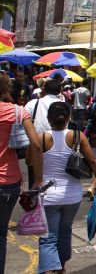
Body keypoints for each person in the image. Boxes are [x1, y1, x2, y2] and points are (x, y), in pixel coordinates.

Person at [39, 102, 96, 274]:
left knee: (49, 237)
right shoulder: (77, 136)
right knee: (65, 231)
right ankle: (61, 268)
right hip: (72, 196)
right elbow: (92, 161)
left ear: (48, 119)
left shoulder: (42, 138)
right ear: (68, 118)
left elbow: (31, 162)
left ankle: (48, 271)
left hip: (48, 196)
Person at [0, 73, 43, 273]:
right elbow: (35, 144)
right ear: (7, 88)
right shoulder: (18, 112)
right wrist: (38, 177)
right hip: (9, 181)